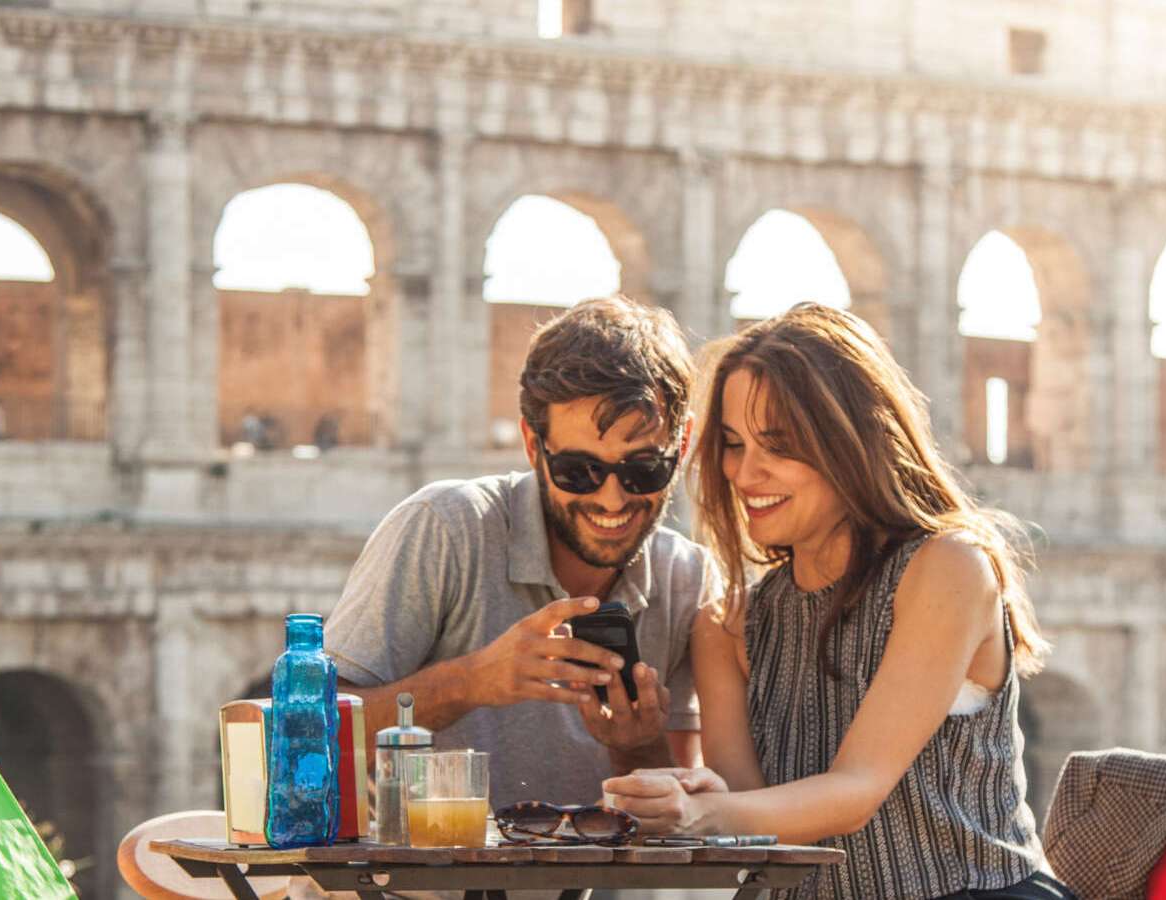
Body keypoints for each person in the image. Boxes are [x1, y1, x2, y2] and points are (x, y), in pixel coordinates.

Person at [603, 304, 1075, 900]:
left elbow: (857, 789)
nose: (746, 474)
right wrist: (669, 785)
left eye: (778, 444)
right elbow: (751, 820)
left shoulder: (945, 568)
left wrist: (706, 815)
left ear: (851, 439)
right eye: (732, 444)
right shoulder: (724, 625)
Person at [325, 295, 712, 810]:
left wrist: (635, 743)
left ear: (682, 446)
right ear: (533, 445)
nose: (612, 498)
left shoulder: (686, 576)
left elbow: (676, 811)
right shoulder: (445, 527)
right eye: (580, 470)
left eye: (644, 469)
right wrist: (471, 681)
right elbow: (308, 734)